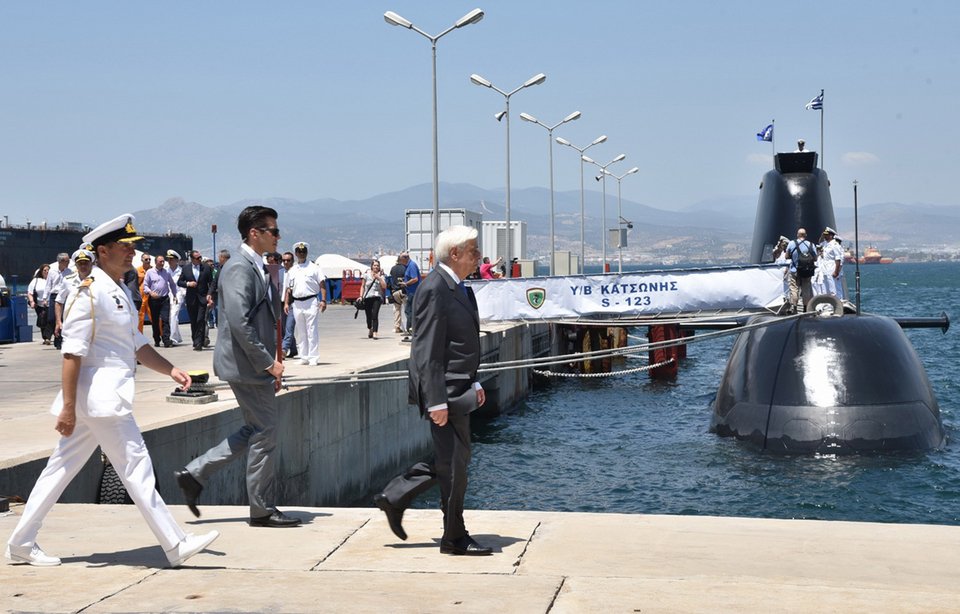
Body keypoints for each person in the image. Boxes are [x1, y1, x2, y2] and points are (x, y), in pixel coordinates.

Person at [5, 213, 219, 568]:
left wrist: (171, 369)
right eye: (124, 247)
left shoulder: (117, 291)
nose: (130, 253)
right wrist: (68, 408)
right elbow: (72, 353)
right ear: (102, 251)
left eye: (132, 247)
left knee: (59, 469)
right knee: (136, 465)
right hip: (100, 400)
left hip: (101, 400)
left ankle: (21, 542)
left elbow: (137, 344)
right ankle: (175, 543)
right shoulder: (87, 293)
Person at [174, 205, 301, 528]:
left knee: (256, 429)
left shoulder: (257, 265)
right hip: (246, 365)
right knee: (266, 432)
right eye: (273, 231)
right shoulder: (239, 269)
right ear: (254, 233)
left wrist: (272, 359)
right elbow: (239, 322)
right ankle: (261, 509)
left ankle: (195, 473)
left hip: (252, 365)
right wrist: (268, 364)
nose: (278, 237)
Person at [373, 225, 491, 556]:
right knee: (455, 466)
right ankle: (454, 537)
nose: (478, 256)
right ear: (454, 254)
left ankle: (395, 497)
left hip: (459, 388)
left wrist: (475, 380)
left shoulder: (461, 289)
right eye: (473, 250)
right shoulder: (434, 289)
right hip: (445, 393)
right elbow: (426, 352)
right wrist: (436, 400)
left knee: (455, 461)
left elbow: (462, 344)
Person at [284, 241, 326, 366]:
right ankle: (304, 356)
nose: (301, 253)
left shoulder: (314, 268)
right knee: (301, 331)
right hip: (297, 302)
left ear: (306, 253)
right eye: (299, 251)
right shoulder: (293, 270)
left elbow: (322, 284)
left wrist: (323, 300)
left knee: (311, 330)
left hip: (311, 301)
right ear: (296, 254)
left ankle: (313, 357)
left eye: (303, 251)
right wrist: (286, 303)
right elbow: (288, 288)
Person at [53, 249, 95, 341]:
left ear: (91, 264)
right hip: (73, 325)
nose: (83, 266)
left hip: (94, 325)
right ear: (75, 265)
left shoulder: (99, 280)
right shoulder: (68, 280)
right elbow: (59, 301)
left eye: (86, 263)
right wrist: (58, 322)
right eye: (80, 263)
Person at [177, 250, 214, 351]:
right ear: (192, 259)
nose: (200, 259)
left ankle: (199, 342)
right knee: (193, 321)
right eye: (197, 258)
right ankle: (196, 340)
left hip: (203, 298)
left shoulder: (206, 268)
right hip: (191, 299)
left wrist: (210, 295)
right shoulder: (186, 268)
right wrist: (188, 284)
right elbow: (179, 282)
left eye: (200, 257)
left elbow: (211, 283)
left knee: (200, 320)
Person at [143, 254, 176, 348]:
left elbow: (172, 284)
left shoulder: (166, 272)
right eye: (160, 261)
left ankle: (166, 340)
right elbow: (145, 285)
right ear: (155, 262)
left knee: (165, 319)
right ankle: (157, 339)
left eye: (163, 261)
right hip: (154, 300)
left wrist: (174, 295)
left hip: (164, 299)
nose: (162, 263)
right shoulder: (150, 272)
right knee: (155, 320)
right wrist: (150, 292)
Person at [786, 228, 818, 313]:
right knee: (806, 289)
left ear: (797, 235)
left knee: (794, 289)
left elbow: (786, 256)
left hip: (794, 270)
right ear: (806, 235)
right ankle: (805, 308)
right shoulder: (811, 244)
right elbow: (815, 258)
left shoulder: (792, 243)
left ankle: (795, 308)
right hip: (807, 271)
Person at [45, 253, 73, 349]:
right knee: (51, 318)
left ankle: (59, 340)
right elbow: (48, 285)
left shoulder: (70, 272)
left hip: (65, 296)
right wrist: (45, 298)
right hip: (54, 295)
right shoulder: (52, 272)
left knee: (62, 318)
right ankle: (54, 334)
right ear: (60, 262)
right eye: (67, 261)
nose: (69, 263)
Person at [27, 264, 53, 345]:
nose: (46, 272)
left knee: (50, 319)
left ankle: (48, 337)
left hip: (51, 303)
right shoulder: (36, 281)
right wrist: (32, 302)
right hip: (39, 304)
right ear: (41, 271)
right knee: (42, 320)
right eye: (44, 270)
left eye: (48, 270)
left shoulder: (53, 279)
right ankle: (45, 338)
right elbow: (30, 293)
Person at [360, 259, 387, 339]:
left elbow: (384, 286)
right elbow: (362, 286)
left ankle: (375, 332)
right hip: (367, 297)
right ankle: (370, 328)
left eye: (377, 265)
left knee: (375, 315)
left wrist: (379, 278)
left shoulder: (382, 276)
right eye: (374, 265)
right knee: (368, 316)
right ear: (371, 266)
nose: (376, 267)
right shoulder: (366, 275)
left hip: (377, 297)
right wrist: (360, 296)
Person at [207, 249, 231, 331]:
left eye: (219, 257)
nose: (218, 259)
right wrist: (209, 293)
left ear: (222, 257)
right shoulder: (219, 269)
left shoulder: (233, 267)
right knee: (218, 311)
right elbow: (214, 282)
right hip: (219, 296)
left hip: (230, 296)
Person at [280, 251, 297, 358]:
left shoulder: (296, 272)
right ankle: (294, 349)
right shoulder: (279, 272)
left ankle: (284, 349)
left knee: (289, 328)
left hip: (293, 303)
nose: (286, 262)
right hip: (281, 303)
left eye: (288, 260)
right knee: (283, 328)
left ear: (292, 261)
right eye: (284, 260)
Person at [165, 250, 185, 346]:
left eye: (172, 259)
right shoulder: (165, 270)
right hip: (166, 296)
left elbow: (182, 285)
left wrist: (183, 295)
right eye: (168, 259)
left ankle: (171, 338)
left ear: (177, 260)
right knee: (170, 317)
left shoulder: (181, 271)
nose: (169, 261)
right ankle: (177, 337)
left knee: (173, 316)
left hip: (177, 295)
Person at [820, 227, 843, 297]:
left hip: (832, 267)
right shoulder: (825, 244)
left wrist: (836, 271)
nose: (824, 236)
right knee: (827, 287)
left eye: (826, 235)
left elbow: (838, 259)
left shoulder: (835, 245)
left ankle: (837, 302)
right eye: (824, 234)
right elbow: (819, 242)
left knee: (834, 288)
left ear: (831, 235)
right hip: (825, 268)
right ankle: (829, 302)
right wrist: (822, 235)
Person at [389, 253, 409, 334]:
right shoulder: (405, 268)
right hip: (403, 291)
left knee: (397, 310)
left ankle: (397, 327)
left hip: (395, 292)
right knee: (407, 310)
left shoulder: (393, 269)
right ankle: (409, 327)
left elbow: (390, 280)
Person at [402, 253, 421, 335]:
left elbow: (415, 279)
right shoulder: (408, 266)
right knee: (409, 310)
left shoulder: (412, 265)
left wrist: (406, 284)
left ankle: (411, 329)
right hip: (411, 292)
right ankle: (410, 329)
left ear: (405, 258)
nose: (400, 261)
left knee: (409, 311)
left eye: (401, 259)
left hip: (413, 292)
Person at [137, 253, 152, 333]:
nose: (148, 261)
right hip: (141, 297)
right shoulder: (137, 270)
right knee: (140, 318)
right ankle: (139, 337)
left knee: (155, 318)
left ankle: (162, 336)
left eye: (149, 259)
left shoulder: (153, 270)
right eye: (146, 259)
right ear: (142, 260)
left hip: (151, 298)